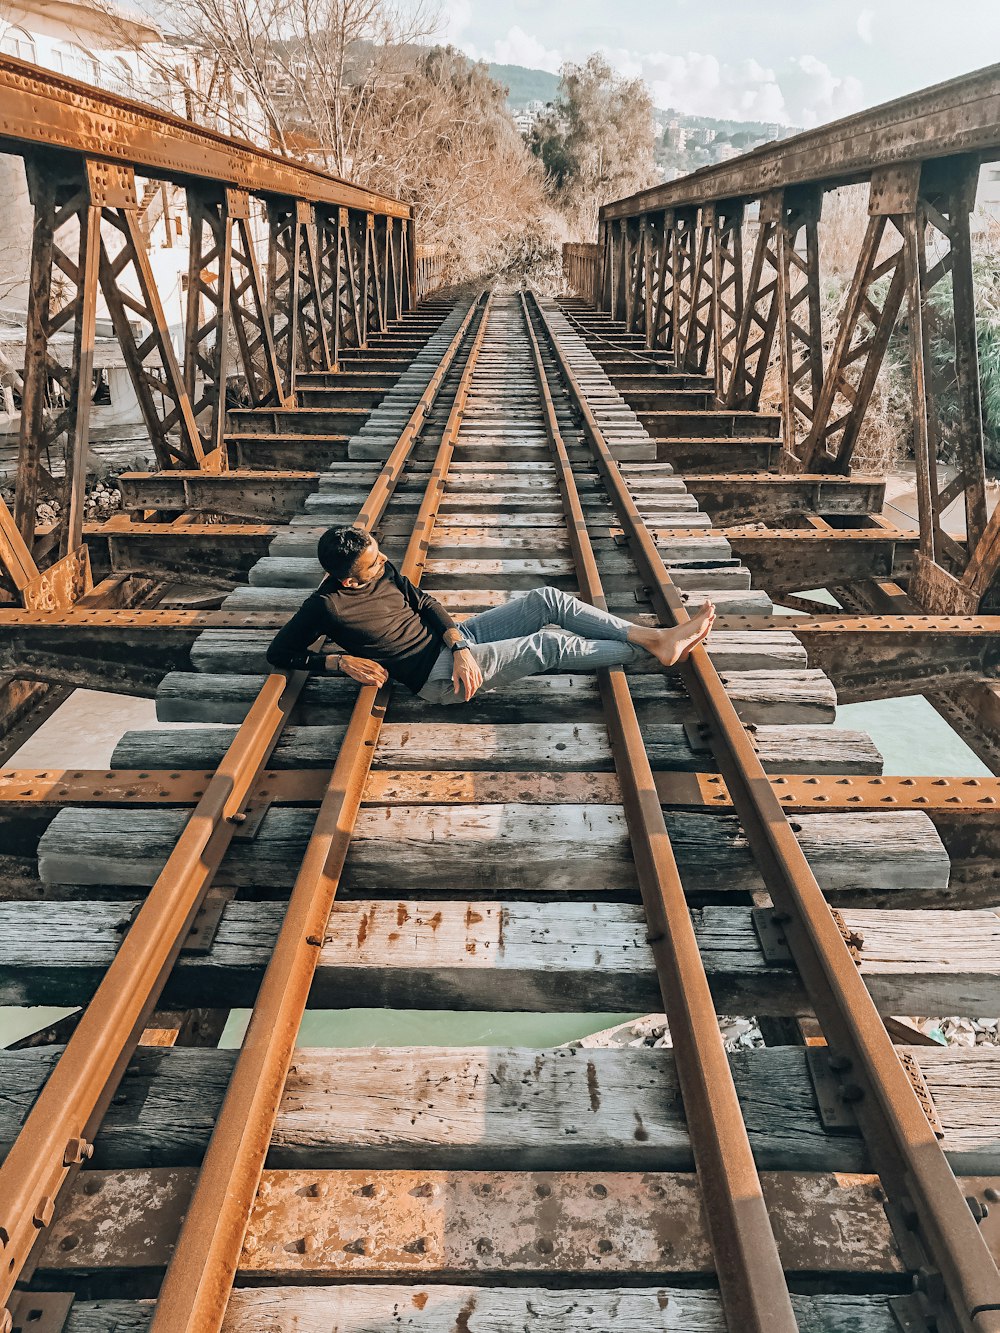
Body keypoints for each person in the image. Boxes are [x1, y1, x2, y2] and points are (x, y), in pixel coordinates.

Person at [266, 525, 716, 703]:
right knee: (549, 645)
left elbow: (425, 604)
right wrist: (339, 661)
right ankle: (656, 648)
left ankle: (655, 640)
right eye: (372, 564)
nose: (384, 563)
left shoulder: (381, 569)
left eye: (380, 554)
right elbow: (279, 652)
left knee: (546, 600)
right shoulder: (324, 607)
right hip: (436, 679)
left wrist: (459, 642)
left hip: (452, 643)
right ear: (346, 579)